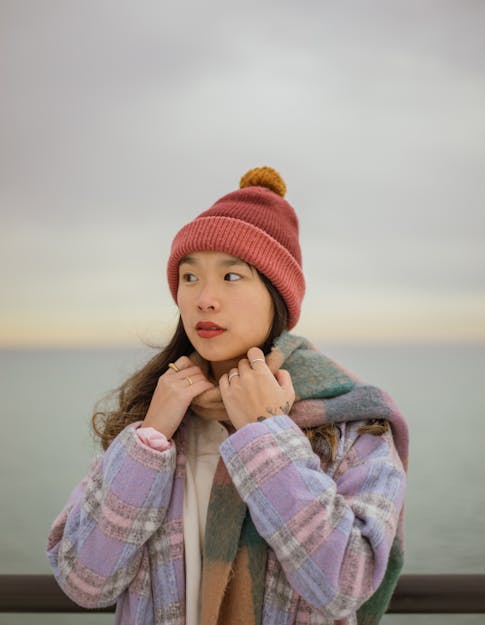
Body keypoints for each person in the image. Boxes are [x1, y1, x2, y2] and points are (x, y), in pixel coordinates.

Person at [47, 166, 408, 625]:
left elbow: (344, 584)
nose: (204, 299)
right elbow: (83, 580)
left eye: (232, 277)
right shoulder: (160, 421)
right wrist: (151, 437)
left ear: (276, 295)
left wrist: (265, 435)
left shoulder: (352, 422)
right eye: (190, 277)